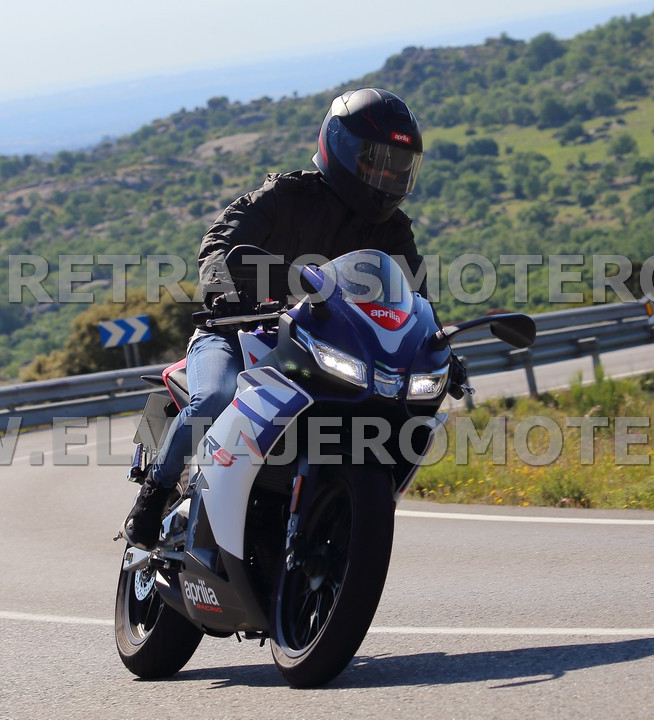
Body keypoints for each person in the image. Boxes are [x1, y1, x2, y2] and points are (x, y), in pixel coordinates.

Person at [123, 88, 431, 550]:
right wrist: (225, 292)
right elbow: (220, 242)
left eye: (399, 165)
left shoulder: (393, 231)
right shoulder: (286, 196)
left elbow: (415, 297)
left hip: (316, 347)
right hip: (236, 331)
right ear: (340, 147)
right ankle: (154, 494)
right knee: (214, 398)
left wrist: (432, 342)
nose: (387, 174)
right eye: (377, 160)